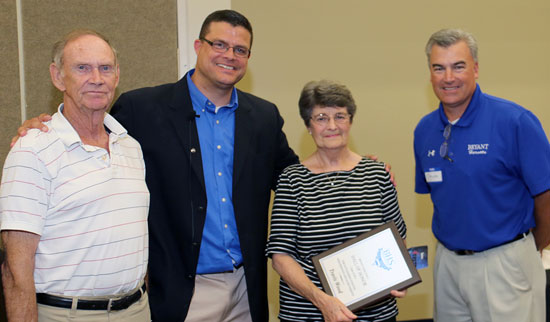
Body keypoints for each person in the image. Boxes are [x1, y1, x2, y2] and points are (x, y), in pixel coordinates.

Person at [0, 29, 150, 321]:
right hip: (66, 314)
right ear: (58, 77)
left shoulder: (130, 147)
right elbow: (15, 270)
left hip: (136, 310)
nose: (96, 78)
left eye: (105, 68)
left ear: (117, 76)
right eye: (82, 68)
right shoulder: (32, 150)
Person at [414, 28, 550, 322]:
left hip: (505, 263)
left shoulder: (515, 121)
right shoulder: (424, 130)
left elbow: (546, 194)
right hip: (448, 264)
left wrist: (528, 247)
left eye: (458, 66)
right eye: (439, 68)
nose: (448, 77)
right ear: (430, 73)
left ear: (475, 68)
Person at [266, 80, 407, 322]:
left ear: (351, 121)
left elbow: (397, 238)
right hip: (310, 314)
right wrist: (323, 301)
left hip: (374, 314)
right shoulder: (292, 180)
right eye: (321, 117)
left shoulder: (377, 174)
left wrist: (400, 275)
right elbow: (281, 257)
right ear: (308, 126)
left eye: (340, 116)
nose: (332, 126)